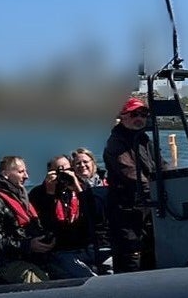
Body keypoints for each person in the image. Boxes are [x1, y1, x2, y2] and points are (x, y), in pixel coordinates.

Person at [0, 155, 55, 283]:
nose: (26, 176)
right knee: (40, 282)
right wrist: (28, 245)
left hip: (32, 257)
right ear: (5, 174)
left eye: (26, 171)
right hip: (9, 261)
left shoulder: (21, 197)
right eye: (21, 172)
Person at [104, 95, 158, 272]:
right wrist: (154, 190)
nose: (140, 118)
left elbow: (161, 164)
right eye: (135, 114)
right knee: (131, 257)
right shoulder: (116, 142)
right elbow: (130, 173)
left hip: (147, 206)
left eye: (143, 114)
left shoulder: (144, 139)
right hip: (127, 210)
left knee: (151, 252)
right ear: (123, 116)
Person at [28, 155, 94, 278]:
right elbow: (42, 224)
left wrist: (77, 188)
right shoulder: (38, 193)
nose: (64, 175)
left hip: (83, 246)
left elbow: (93, 215)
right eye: (60, 171)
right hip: (58, 249)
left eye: (68, 170)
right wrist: (50, 194)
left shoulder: (81, 188)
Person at [70, 146, 111, 268]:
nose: (82, 165)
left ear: (93, 163)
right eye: (78, 164)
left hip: (107, 237)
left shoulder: (106, 183)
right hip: (84, 241)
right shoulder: (69, 188)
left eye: (85, 162)